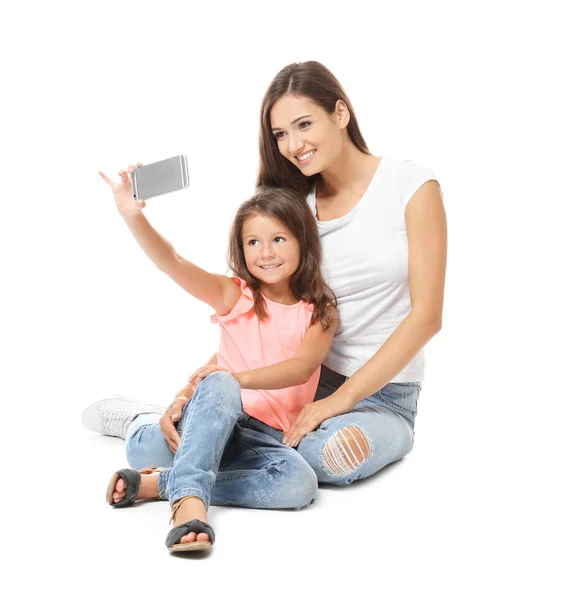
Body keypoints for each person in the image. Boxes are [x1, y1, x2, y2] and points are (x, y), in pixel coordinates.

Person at [85, 59, 446, 536]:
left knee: (327, 459)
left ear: (341, 113)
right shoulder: (293, 210)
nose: (293, 145)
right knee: (159, 443)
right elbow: (258, 316)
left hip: (383, 399)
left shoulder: (409, 184)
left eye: (303, 124)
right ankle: (146, 423)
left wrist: (337, 403)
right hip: (299, 388)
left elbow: (427, 317)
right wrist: (197, 390)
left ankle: (169, 483)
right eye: (279, 134)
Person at [85, 180, 338, 552]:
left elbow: (300, 368)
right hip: (213, 415)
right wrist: (132, 216)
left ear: (304, 240)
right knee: (143, 447)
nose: (266, 252)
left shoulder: (320, 312)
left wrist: (235, 377)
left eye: (279, 239)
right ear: (241, 249)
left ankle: (164, 484)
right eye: (253, 242)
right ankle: (181, 492)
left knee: (298, 484)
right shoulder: (233, 295)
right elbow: (172, 262)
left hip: (262, 437)